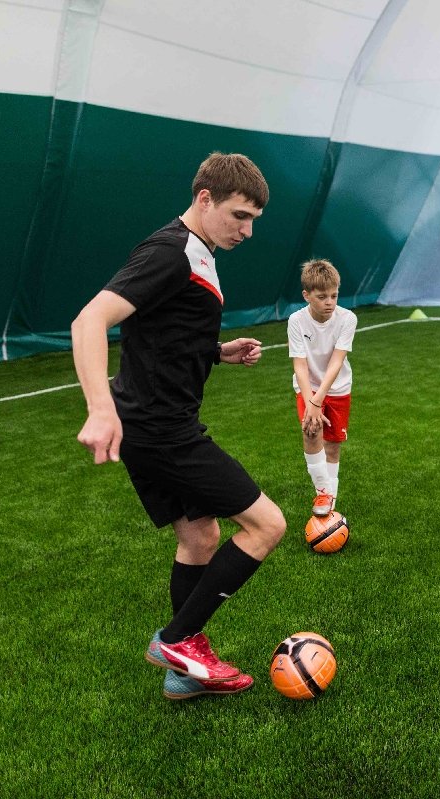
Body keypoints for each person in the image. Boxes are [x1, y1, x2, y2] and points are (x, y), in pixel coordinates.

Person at [71, 152, 287, 700]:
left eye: (255, 219)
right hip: (161, 430)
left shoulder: (200, 251)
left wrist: (217, 351)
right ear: (204, 199)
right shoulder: (169, 251)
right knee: (266, 526)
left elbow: (162, 333)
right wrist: (101, 408)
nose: (248, 230)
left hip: (157, 423)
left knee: (199, 536)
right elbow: (89, 320)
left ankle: (182, 670)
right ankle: (176, 639)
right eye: (240, 215)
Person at [287, 259, 358, 517]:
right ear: (306, 295)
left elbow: (336, 362)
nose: (330, 302)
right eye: (322, 296)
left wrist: (318, 401)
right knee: (310, 432)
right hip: (307, 388)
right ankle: (324, 494)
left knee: (333, 445)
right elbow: (300, 365)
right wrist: (311, 402)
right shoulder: (296, 320)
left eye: (334, 295)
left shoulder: (347, 318)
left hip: (337, 388)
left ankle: (330, 501)